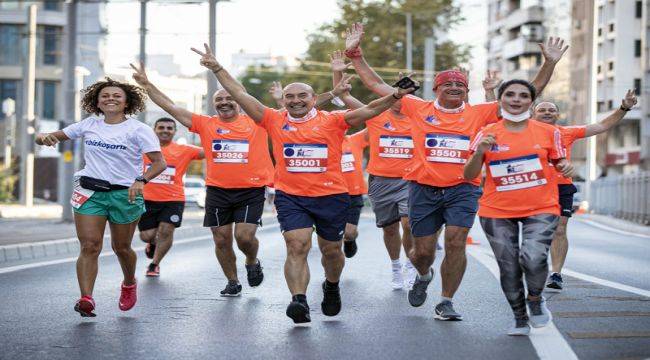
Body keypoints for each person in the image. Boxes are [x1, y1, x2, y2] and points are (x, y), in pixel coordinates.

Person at [344, 22, 568, 320]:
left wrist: (549, 63)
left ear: (466, 91)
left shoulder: (480, 113)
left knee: (455, 241)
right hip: (422, 188)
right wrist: (355, 55)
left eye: (460, 85)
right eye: (447, 84)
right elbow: (376, 85)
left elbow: (530, 92)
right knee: (422, 253)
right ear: (436, 89)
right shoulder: (418, 108)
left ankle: (446, 300)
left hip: (463, 188)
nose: (454, 88)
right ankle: (423, 275)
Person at [190, 43, 418, 323]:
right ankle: (299, 300)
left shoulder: (334, 120)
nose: (295, 100)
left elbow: (370, 110)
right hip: (291, 197)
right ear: (283, 100)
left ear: (314, 99)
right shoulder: (272, 119)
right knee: (296, 245)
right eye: (289, 96)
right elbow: (240, 93)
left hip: (331, 197)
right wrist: (217, 68)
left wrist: (395, 94)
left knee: (331, 251)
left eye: (302, 96)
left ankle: (331, 286)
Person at [131, 63, 272, 297]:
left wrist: (217, 68)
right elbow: (171, 106)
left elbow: (241, 91)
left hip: (251, 189)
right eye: (219, 100)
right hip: (217, 191)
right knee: (221, 239)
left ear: (239, 101)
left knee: (244, 237)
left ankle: (251, 261)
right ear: (213, 104)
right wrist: (147, 85)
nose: (224, 102)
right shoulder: (206, 124)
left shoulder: (257, 122)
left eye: (229, 98)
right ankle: (232, 281)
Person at [35, 78, 165, 317]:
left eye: (117, 95)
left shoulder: (139, 130)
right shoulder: (89, 124)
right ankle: (86, 298)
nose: (110, 99)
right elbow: (49, 137)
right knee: (90, 245)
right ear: (97, 101)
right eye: (105, 96)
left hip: (125, 194)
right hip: (90, 192)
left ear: (127, 103)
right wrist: (43, 137)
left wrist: (141, 181)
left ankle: (128, 283)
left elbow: (159, 163)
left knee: (122, 247)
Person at [464, 79, 574, 335]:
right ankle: (519, 316)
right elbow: (469, 173)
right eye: (510, 94)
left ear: (531, 102)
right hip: (497, 210)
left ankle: (535, 298)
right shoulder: (487, 132)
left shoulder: (549, 132)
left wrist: (566, 167)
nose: (516, 99)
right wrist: (479, 152)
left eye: (523, 95)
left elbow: (560, 162)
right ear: (500, 99)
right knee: (509, 266)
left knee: (534, 258)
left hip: (542, 206)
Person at [330, 50, 417, 288]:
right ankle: (396, 266)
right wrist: (337, 71)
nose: (399, 101)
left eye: (402, 95)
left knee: (409, 223)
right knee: (390, 229)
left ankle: (411, 264)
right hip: (381, 181)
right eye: (394, 96)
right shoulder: (377, 115)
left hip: (410, 180)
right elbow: (344, 97)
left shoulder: (419, 118)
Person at [533, 91, 638, 291]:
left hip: (562, 186)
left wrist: (624, 107)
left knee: (560, 228)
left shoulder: (566, 132)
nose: (547, 113)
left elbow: (602, 125)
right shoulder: (524, 132)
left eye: (551, 110)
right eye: (542, 110)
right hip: (533, 185)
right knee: (535, 229)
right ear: (533, 114)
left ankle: (555, 274)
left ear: (557, 115)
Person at [138, 117, 204, 277]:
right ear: (154, 130)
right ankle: (152, 243)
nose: (165, 130)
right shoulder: (142, 149)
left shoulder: (184, 149)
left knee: (166, 231)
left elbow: (209, 150)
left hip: (173, 199)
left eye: (169, 128)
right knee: (146, 235)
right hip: (146, 198)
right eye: (161, 127)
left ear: (174, 131)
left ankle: (154, 264)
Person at [340, 128, 369, 258]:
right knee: (332, 238)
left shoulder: (355, 140)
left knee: (349, 232)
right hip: (330, 194)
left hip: (353, 194)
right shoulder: (322, 141)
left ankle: (350, 239)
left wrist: (386, 107)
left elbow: (374, 124)